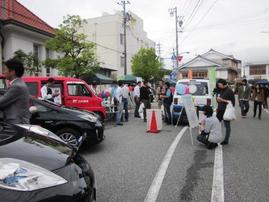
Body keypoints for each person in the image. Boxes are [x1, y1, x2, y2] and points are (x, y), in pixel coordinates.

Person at [0, 59, 30, 124]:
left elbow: (1, 102)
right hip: (17, 123)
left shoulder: (16, 86)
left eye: (5, 69)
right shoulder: (18, 84)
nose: (3, 72)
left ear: (13, 72)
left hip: (15, 124)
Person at [216, 79, 235, 145]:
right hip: (220, 109)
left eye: (220, 85)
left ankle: (226, 140)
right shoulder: (220, 90)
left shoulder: (229, 91)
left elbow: (232, 103)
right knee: (216, 123)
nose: (218, 86)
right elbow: (218, 100)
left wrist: (222, 100)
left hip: (226, 110)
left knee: (227, 126)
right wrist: (218, 100)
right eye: (218, 85)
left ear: (224, 84)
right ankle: (215, 138)